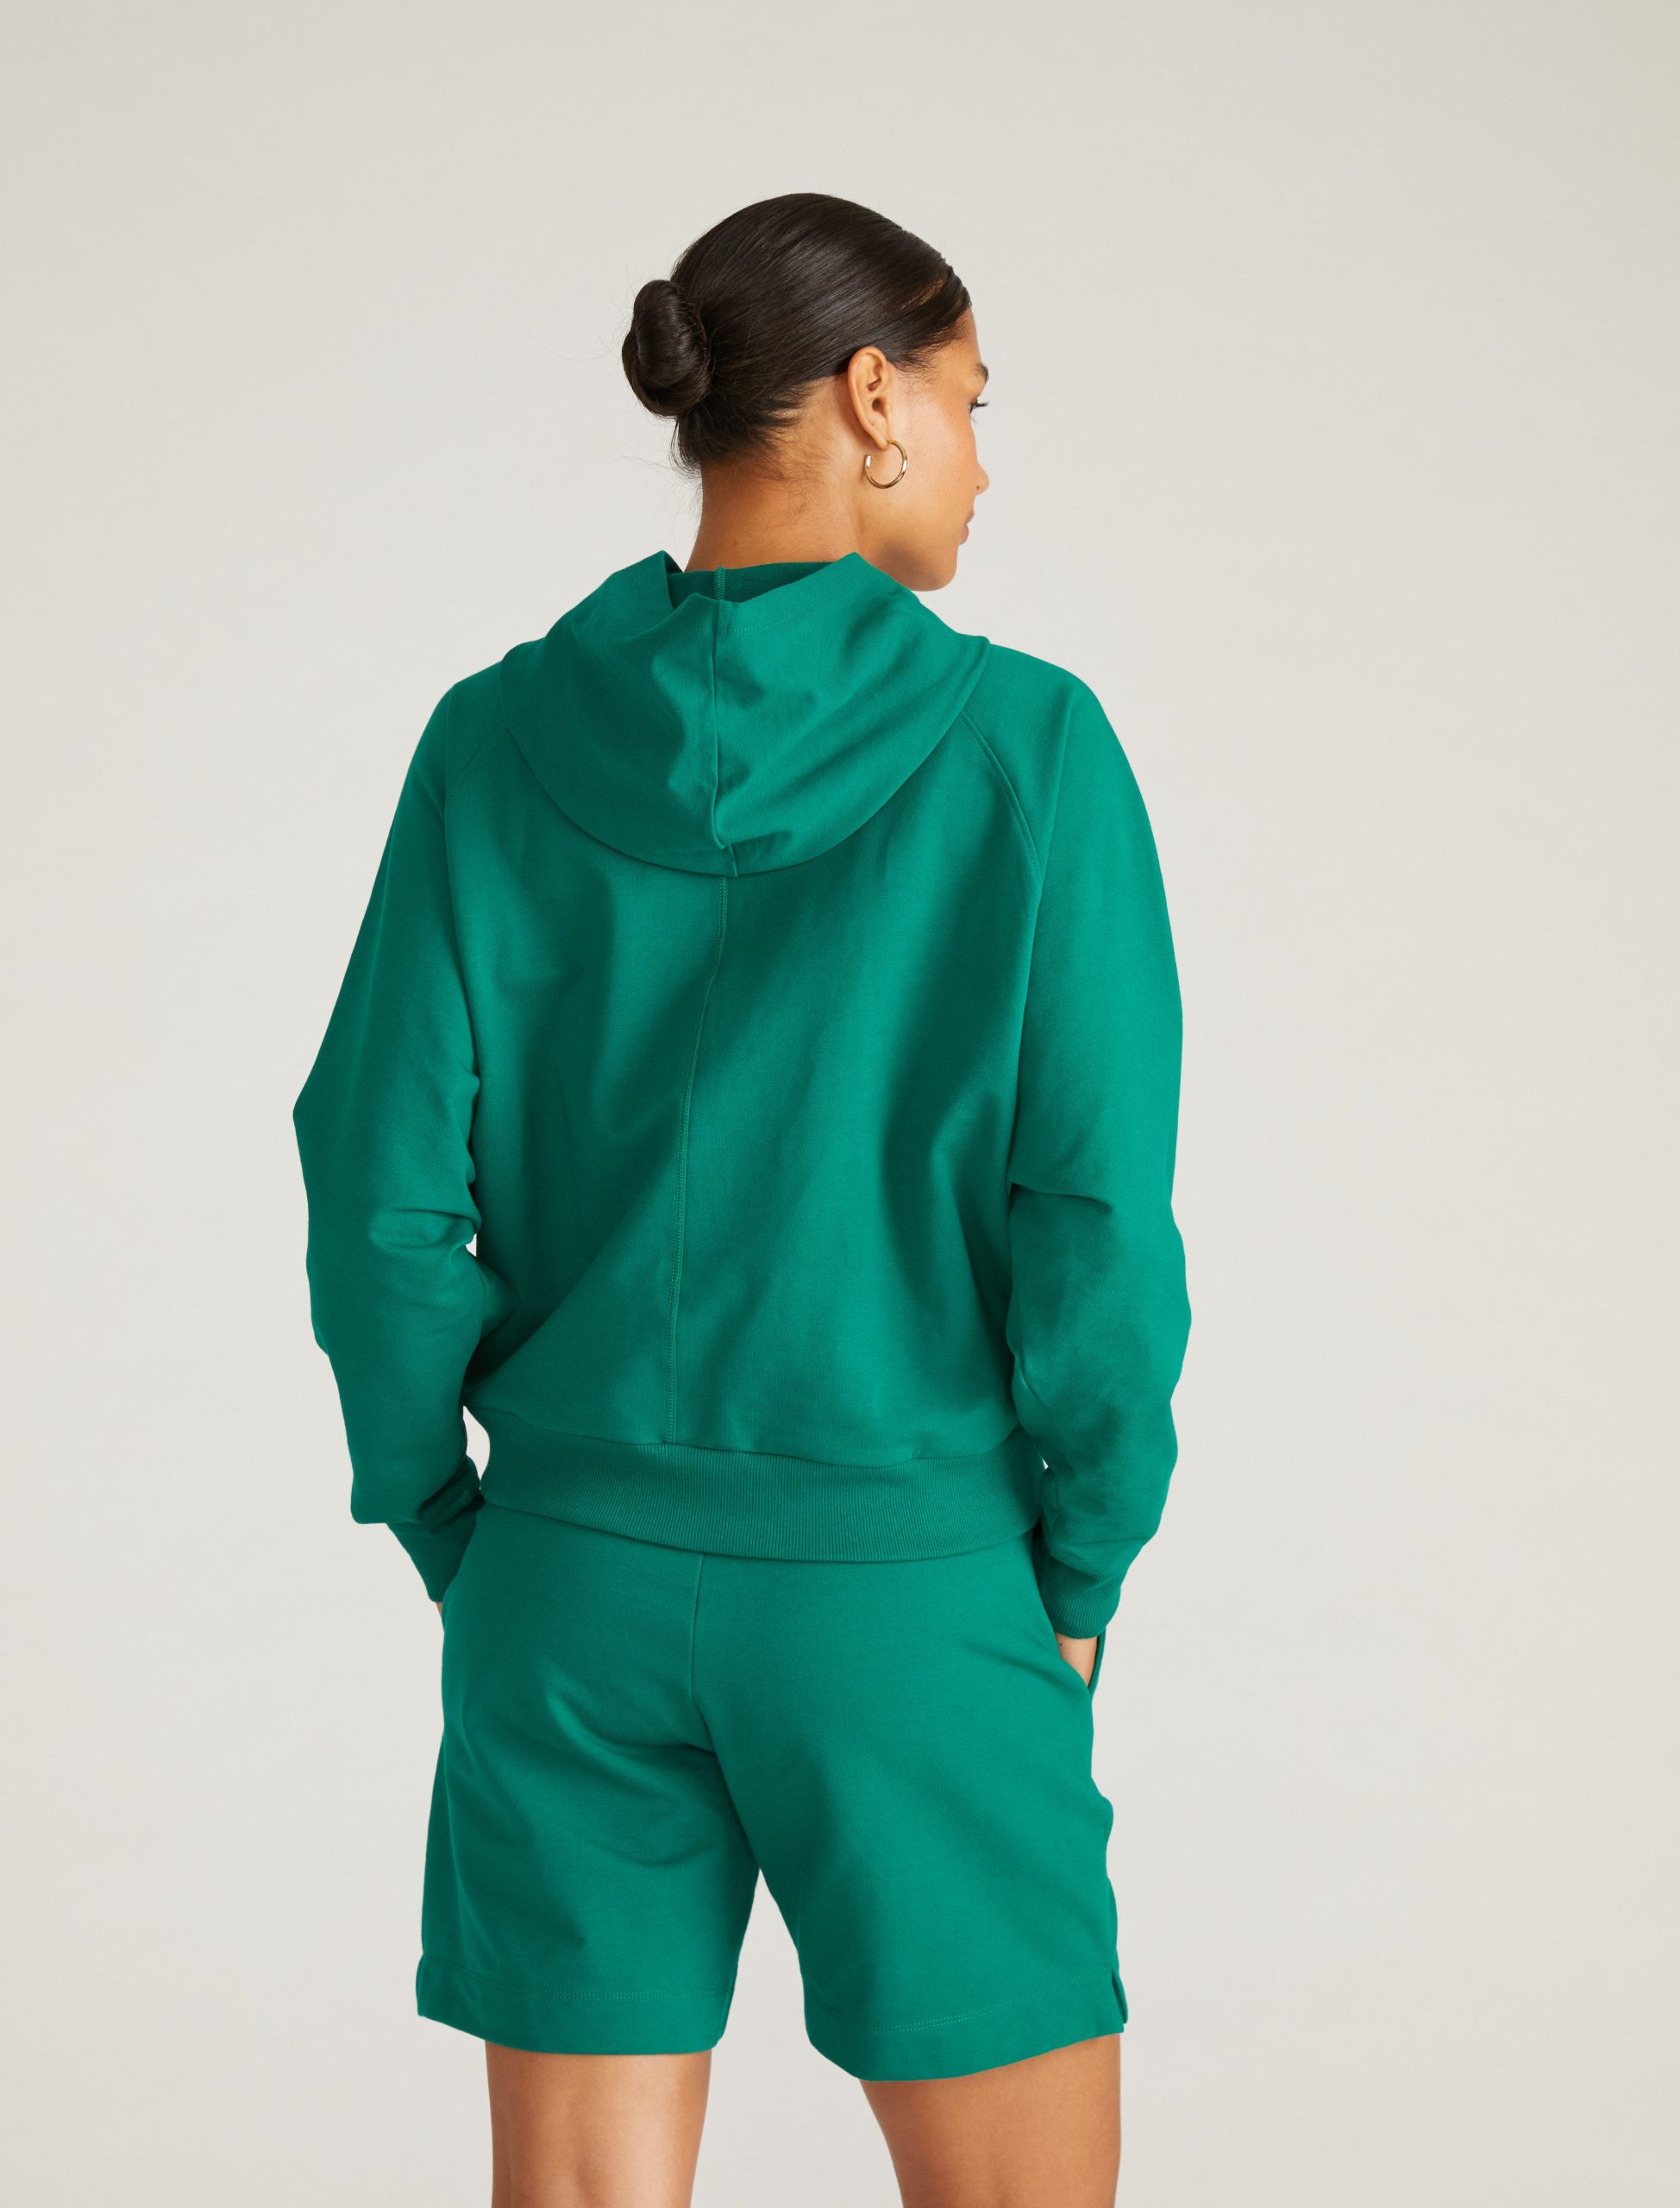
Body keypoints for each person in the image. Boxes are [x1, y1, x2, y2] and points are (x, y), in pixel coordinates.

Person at [292, 191, 1191, 2208]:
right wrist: (1080, 1570)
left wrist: (449, 1516)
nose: (982, 457)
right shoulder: (1031, 750)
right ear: (872, 399)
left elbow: (377, 1189)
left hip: (566, 1583)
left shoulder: (490, 739)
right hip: (909, 1585)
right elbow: (1093, 1221)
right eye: (968, 401)